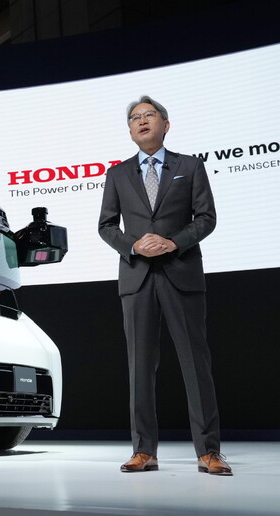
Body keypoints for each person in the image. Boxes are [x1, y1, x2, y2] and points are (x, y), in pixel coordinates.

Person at [98, 95, 231, 476]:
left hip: (181, 271)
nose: (141, 121)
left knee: (195, 363)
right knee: (139, 367)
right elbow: (106, 225)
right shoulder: (117, 174)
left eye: (149, 115)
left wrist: (173, 242)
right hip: (137, 277)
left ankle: (209, 452)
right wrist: (133, 245)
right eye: (134, 118)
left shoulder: (190, 166)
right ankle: (144, 451)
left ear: (165, 124)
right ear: (130, 130)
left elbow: (206, 217)